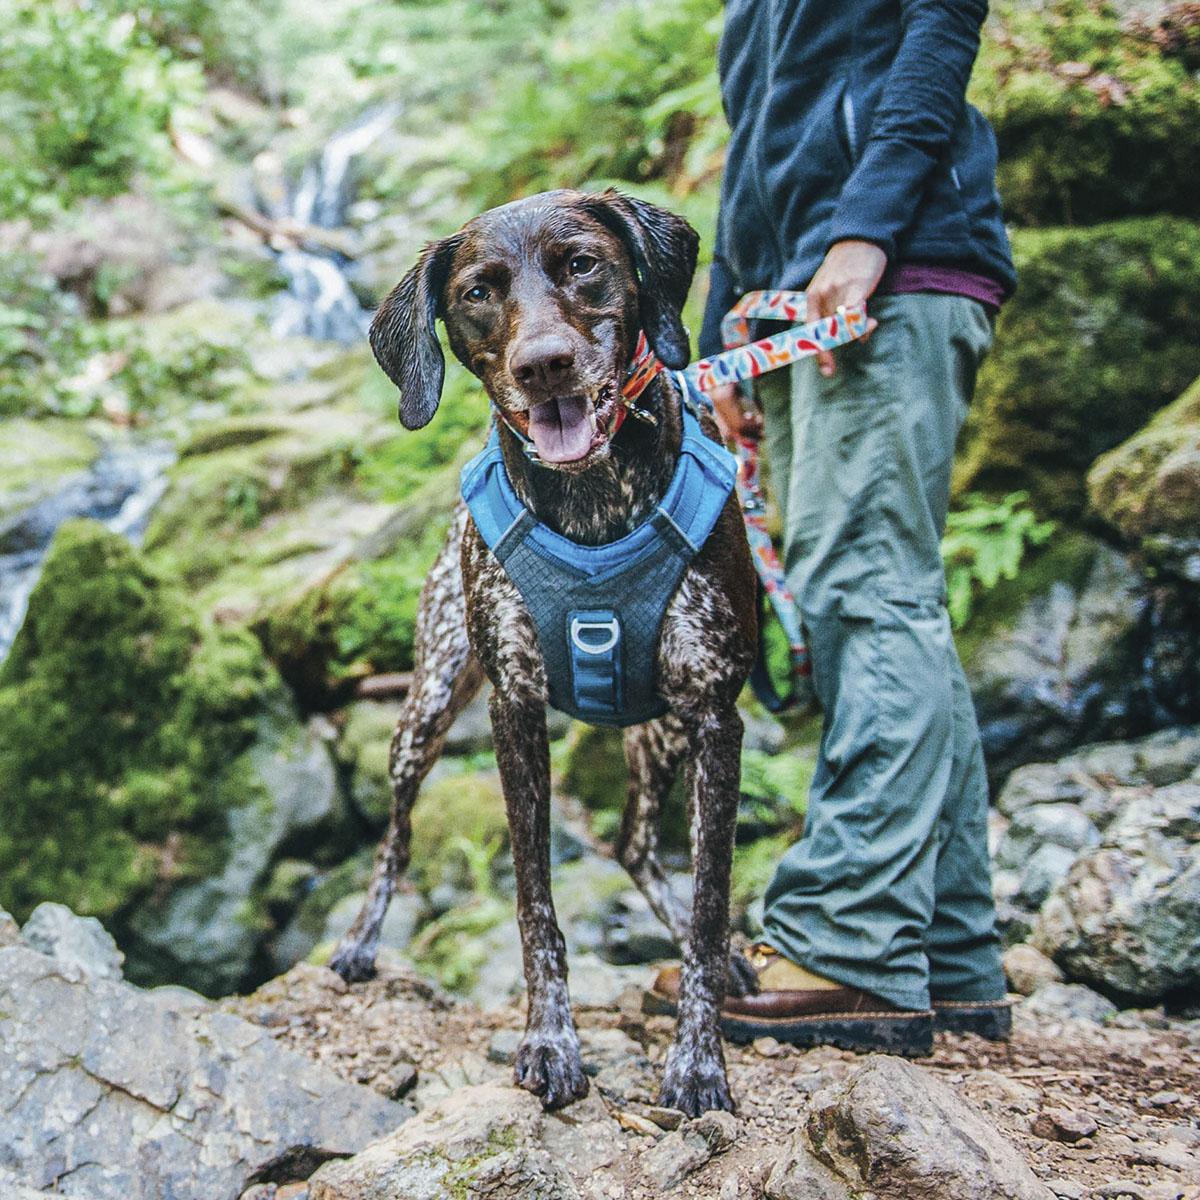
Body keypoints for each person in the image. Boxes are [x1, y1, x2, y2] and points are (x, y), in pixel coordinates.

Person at [649, 0, 1016, 1055]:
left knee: (866, 591)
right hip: (796, 298)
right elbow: (763, 147)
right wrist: (722, 320)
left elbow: (939, 36)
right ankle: (947, 956)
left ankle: (850, 944)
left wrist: (865, 230)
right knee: (873, 589)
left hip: (889, 273)